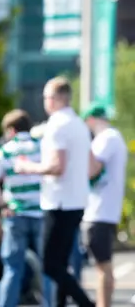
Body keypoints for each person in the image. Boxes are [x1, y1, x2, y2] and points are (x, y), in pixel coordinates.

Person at [14, 77, 94, 307]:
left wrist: (26, 167)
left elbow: (57, 166)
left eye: (46, 97)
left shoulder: (57, 125)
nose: (44, 101)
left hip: (59, 202)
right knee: (61, 263)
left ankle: (86, 304)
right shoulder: (79, 123)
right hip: (76, 200)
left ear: (57, 98)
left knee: (51, 265)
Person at [0, 109, 52, 307]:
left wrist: (3, 203)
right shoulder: (42, 146)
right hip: (40, 212)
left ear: (11, 130)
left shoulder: (7, 149)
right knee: (46, 266)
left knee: (13, 267)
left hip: (15, 213)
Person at [81, 103, 128, 307]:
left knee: (102, 268)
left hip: (99, 211)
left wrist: (82, 146)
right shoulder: (114, 137)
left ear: (90, 120)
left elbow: (92, 169)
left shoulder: (106, 138)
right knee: (104, 266)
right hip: (106, 210)